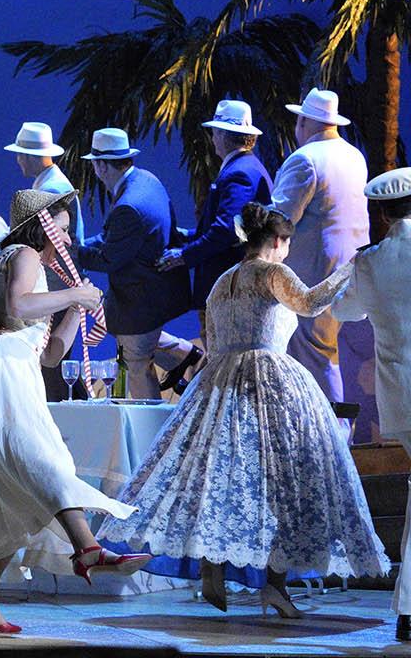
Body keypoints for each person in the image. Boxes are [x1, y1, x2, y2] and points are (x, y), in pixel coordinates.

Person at [100, 204, 387, 618]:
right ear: (276, 242)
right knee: (282, 481)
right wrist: (347, 268)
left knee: (225, 476)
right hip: (270, 378)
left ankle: (212, 566)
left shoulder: (222, 282)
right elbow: (307, 304)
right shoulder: (272, 272)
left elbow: (213, 342)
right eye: (286, 243)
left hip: (220, 380)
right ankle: (274, 585)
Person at [0, 188, 150, 635]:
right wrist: (73, 292)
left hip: (13, 370)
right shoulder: (22, 253)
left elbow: (50, 357)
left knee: (12, 486)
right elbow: (18, 306)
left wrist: (74, 309)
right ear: (42, 224)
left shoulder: (32, 266)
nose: (65, 233)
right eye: (59, 223)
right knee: (41, 461)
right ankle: (88, 549)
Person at [334, 168, 411, 641]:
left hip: (402, 400)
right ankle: (406, 609)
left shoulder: (372, 262)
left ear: (381, 212)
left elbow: (344, 311)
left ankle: (407, 609)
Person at [269, 87, 369, 412]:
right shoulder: (354, 155)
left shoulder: (305, 159)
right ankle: (339, 433)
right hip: (350, 269)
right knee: (328, 352)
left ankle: (332, 436)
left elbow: (281, 219)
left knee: (314, 353)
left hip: (311, 276)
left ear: (305, 123)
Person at [75, 129, 192, 399]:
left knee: (138, 367)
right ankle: (184, 354)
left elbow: (109, 258)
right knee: (137, 352)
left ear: (102, 166)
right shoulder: (146, 180)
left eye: (94, 163)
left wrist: (72, 253)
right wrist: (82, 245)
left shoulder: (128, 205)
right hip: (154, 295)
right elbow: (112, 238)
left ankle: (149, 434)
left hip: (139, 301)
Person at [158, 100, 273, 371]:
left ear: (222, 135)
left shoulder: (239, 174)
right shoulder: (245, 167)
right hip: (232, 284)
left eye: (214, 132)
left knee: (223, 362)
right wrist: (187, 237)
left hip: (227, 287)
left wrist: (184, 256)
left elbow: (225, 230)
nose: (212, 138)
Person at [4, 122, 83, 241]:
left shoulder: (52, 189)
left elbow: (27, 233)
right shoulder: (51, 182)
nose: (18, 160)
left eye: (19, 154)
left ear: (28, 156)